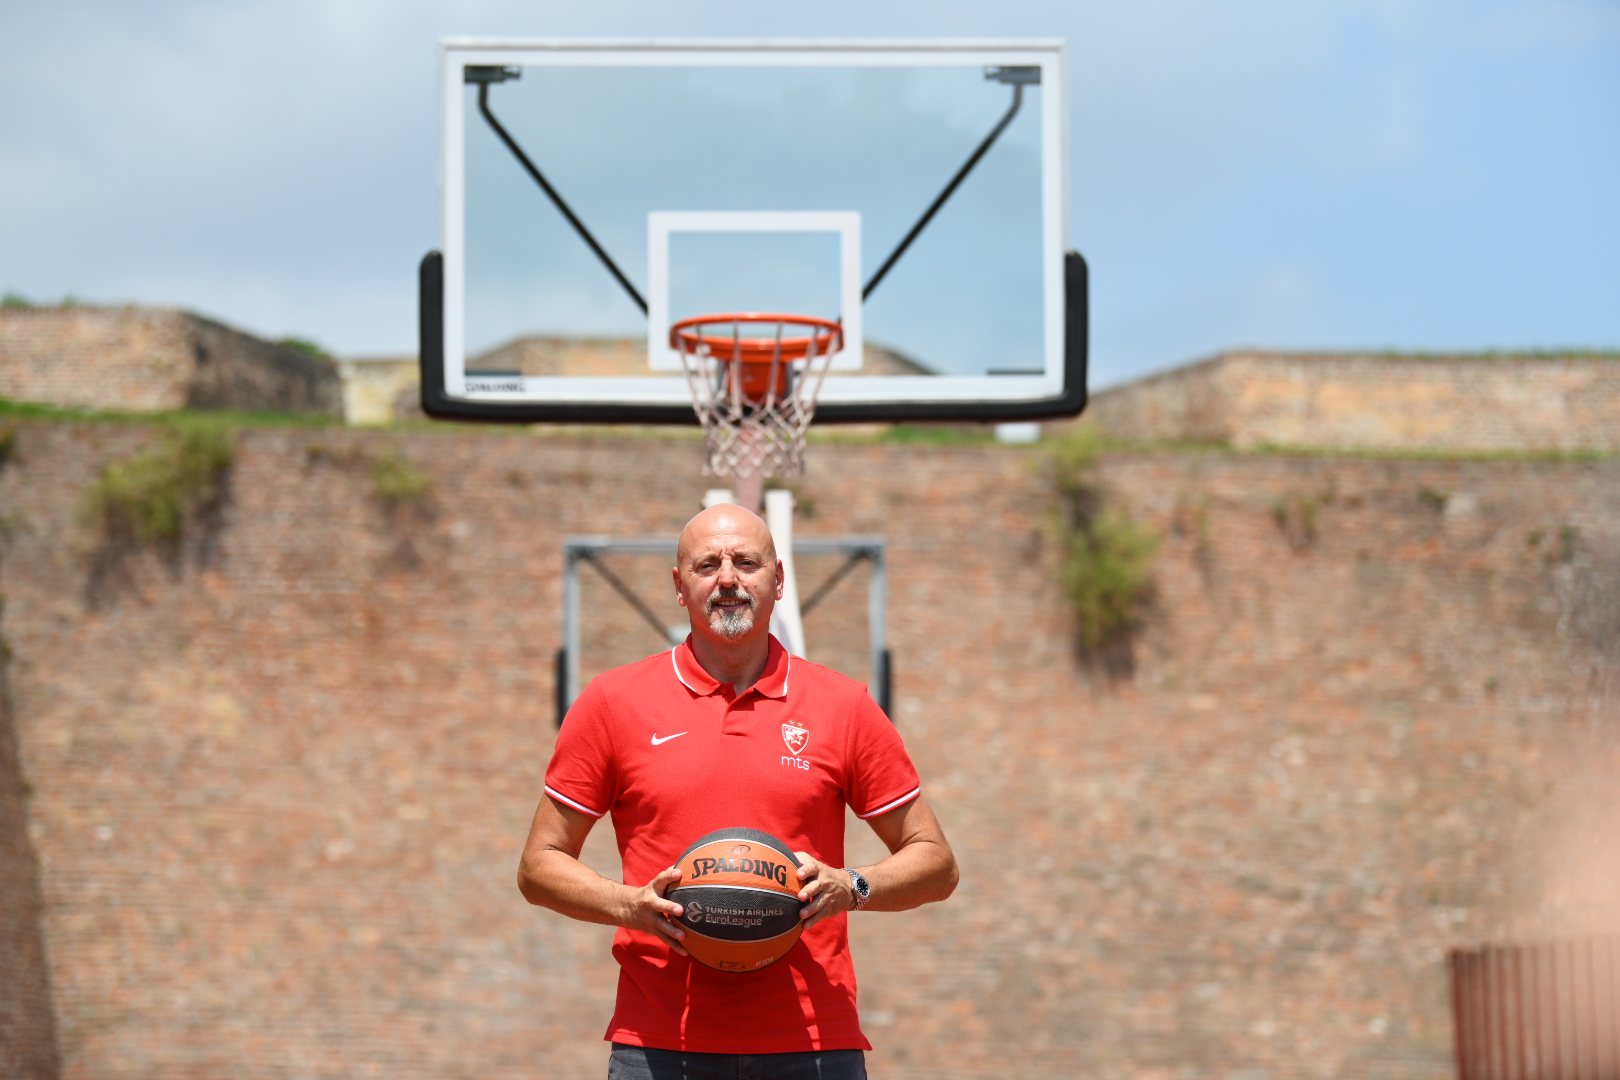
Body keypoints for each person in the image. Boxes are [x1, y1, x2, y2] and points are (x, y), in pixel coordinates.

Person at [519, 503, 958, 1080]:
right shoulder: (612, 702)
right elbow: (538, 865)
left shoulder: (843, 706)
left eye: (746, 562)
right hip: (659, 1044)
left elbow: (937, 862)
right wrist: (631, 906)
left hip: (812, 1042)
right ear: (680, 587)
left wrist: (850, 885)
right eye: (708, 565)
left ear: (779, 580)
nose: (728, 578)